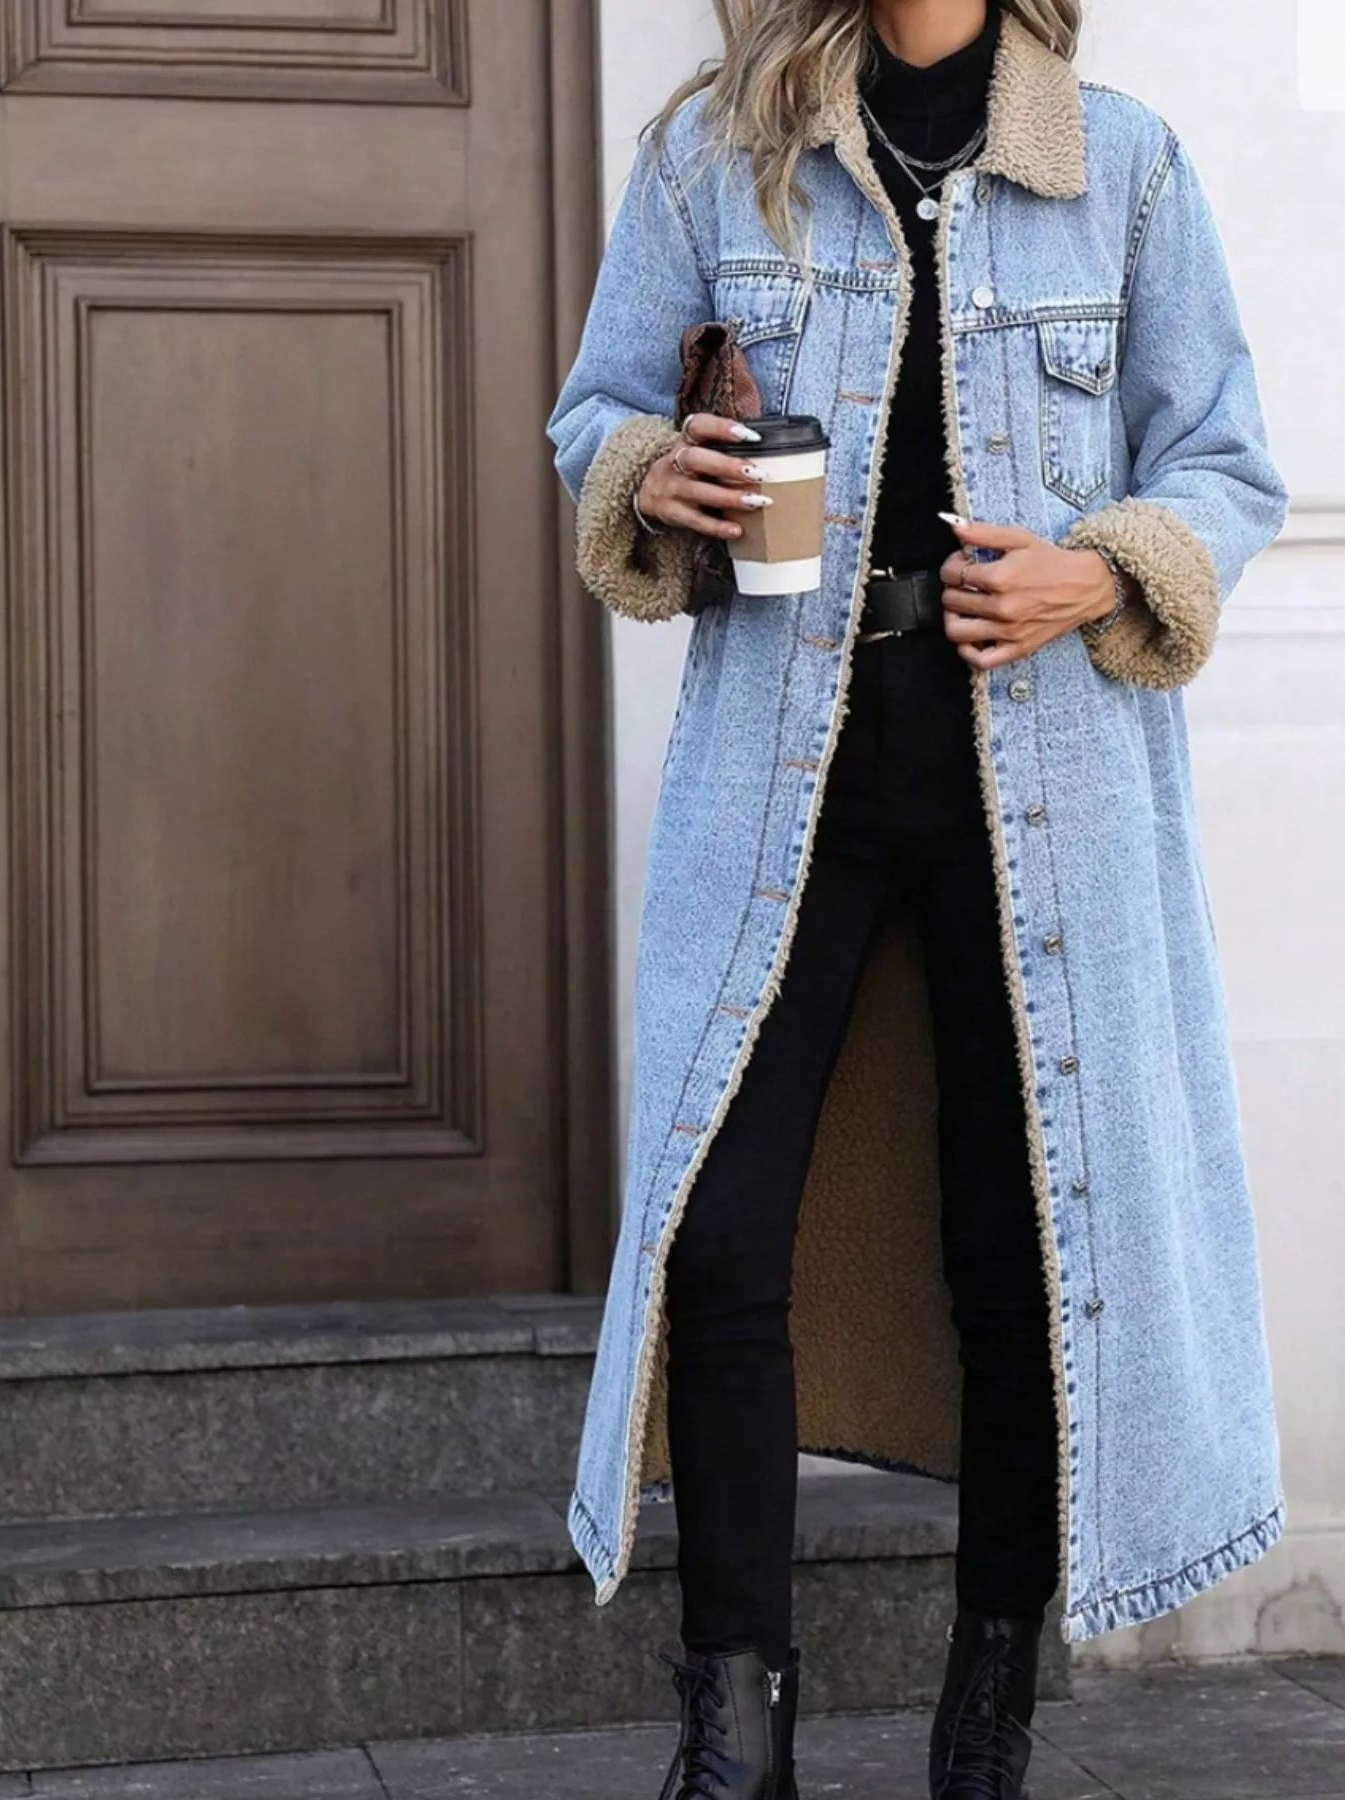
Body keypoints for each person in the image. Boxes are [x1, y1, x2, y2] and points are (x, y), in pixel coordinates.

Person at [547, 3, 1289, 1796]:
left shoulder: (1122, 164)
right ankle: (734, 1735)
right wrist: (661, 473)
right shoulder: (716, 152)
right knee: (717, 1235)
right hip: (786, 775)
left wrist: (1094, 567)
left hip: (1043, 791)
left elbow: (1224, 464)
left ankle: (987, 1714)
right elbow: (594, 416)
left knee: (1022, 1250)